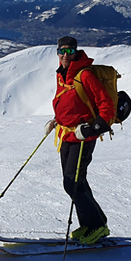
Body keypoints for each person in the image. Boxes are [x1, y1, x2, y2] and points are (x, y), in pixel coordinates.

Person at [45, 36, 114, 246]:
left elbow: (107, 105)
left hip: (83, 136)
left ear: (76, 51)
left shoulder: (84, 75)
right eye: (62, 51)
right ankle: (92, 223)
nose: (65, 55)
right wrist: (58, 120)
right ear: (58, 53)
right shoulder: (62, 75)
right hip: (65, 134)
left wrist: (94, 128)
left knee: (72, 182)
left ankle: (97, 226)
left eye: (69, 51)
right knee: (77, 181)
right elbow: (69, 102)